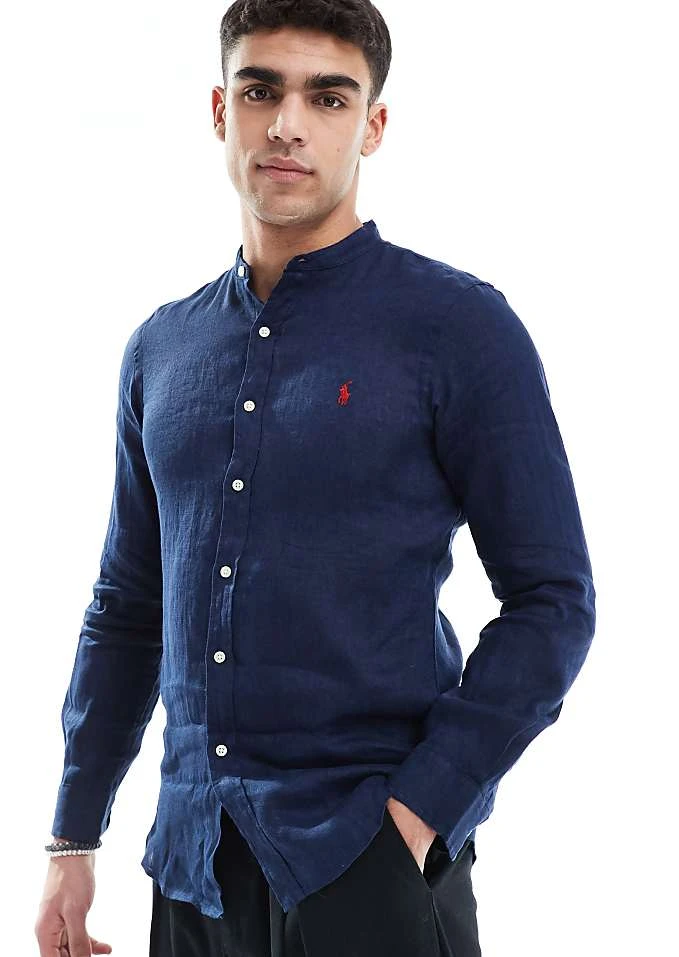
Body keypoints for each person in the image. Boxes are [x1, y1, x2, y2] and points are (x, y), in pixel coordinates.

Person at [34, 1, 597, 955]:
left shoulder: (458, 329)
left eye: (328, 97)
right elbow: (128, 608)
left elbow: (554, 600)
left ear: (372, 125)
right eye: (262, 91)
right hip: (192, 871)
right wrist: (72, 836)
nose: (288, 124)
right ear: (222, 110)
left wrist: (417, 816)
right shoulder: (160, 350)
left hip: (368, 863)